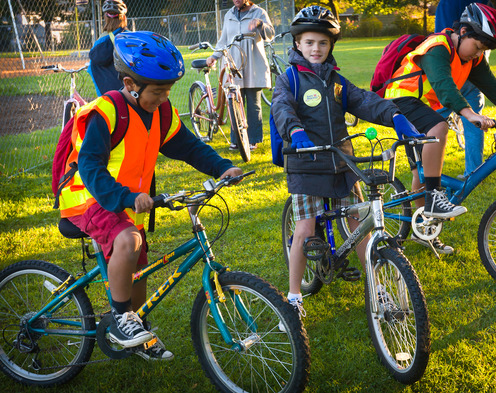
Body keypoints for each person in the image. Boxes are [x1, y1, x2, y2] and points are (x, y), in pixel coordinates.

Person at [58, 31, 243, 360]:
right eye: (158, 91)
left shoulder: (160, 111)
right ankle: (120, 318)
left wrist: (222, 168)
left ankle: (138, 328)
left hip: (127, 202)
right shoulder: (105, 113)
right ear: (130, 84)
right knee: (129, 242)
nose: (164, 97)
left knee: (138, 267)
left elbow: (187, 145)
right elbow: (90, 168)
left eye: (168, 90)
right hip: (92, 197)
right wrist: (126, 197)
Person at [271, 6, 422, 316]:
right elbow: (282, 108)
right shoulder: (290, 79)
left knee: (360, 225)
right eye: (309, 42)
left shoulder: (336, 81)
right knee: (304, 229)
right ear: (297, 44)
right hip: (305, 162)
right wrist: (296, 131)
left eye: (323, 43)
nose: (316, 49)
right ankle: (295, 296)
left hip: (340, 162)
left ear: (331, 46)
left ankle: (378, 289)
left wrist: (395, 115)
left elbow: (364, 100)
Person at [383, 3, 496, 254]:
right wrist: (470, 114)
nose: (478, 54)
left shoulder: (471, 59)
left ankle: (424, 230)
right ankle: (433, 200)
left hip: (422, 104)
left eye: (483, 50)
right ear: (463, 31)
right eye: (477, 47)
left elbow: (493, 86)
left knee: (422, 170)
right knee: (439, 127)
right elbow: (444, 87)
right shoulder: (437, 47)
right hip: (400, 100)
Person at [435, 0, 493, 180]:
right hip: (475, 64)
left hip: (452, 64)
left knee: (435, 120)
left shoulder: (447, 3)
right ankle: (475, 172)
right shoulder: (485, 3)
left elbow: (442, 35)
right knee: (474, 118)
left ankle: (426, 170)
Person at [206, 0, 274, 151]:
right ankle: (236, 139)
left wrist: (260, 24)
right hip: (232, 64)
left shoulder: (259, 12)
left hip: (253, 65)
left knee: (253, 104)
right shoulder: (229, 14)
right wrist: (214, 56)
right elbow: (224, 40)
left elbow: (270, 35)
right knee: (234, 103)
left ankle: (253, 140)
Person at [88, 0, 128, 96]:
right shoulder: (129, 37)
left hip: (106, 95)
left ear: (105, 17)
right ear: (123, 17)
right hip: (128, 93)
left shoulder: (101, 40)